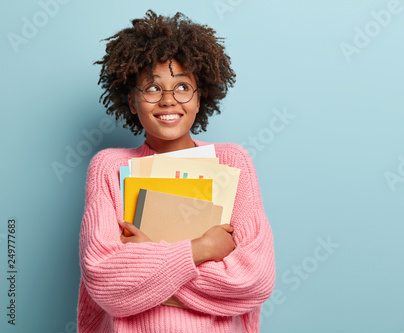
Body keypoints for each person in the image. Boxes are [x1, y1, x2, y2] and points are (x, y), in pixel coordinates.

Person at [77, 10, 275, 333]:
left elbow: (255, 279)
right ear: (131, 100)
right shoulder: (109, 167)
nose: (168, 101)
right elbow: (105, 281)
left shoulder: (233, 162)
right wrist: (203, 249)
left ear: (200, 98)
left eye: (182, 87)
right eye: (152, 89)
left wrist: (147, 267)